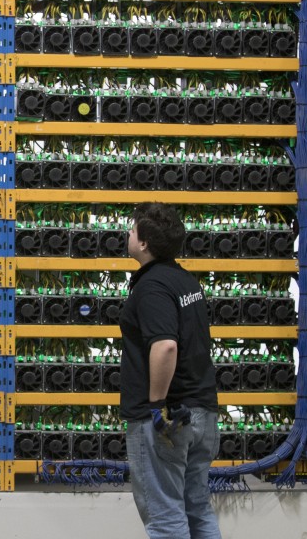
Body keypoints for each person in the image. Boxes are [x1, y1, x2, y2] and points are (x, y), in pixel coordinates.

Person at [120, 202, 221, 539]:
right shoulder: (185, 281)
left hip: (168, 420)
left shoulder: (152, 287)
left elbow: (165, 346)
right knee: (198, 511)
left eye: (133, 230)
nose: (128, 234)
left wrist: (155, 406)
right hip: (201, 412)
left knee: (164, 518)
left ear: (145, 243)